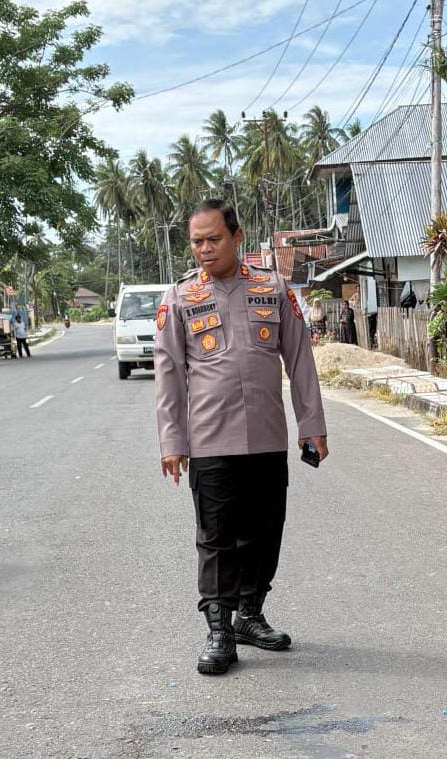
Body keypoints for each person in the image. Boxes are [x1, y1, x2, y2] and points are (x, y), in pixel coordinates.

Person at [154, 199, 328, 676]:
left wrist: (311, 425)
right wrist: (173, 441)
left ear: (236, 237)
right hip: (211, 442)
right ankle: (218, 629)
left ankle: (250, 615)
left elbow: (300, 361)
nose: (204, 250)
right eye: (196, 242)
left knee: (264, 534)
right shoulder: (180, 297)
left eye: (213, 239)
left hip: (268, 439)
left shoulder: (272, 290)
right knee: (216, 540)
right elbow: (168, 374)